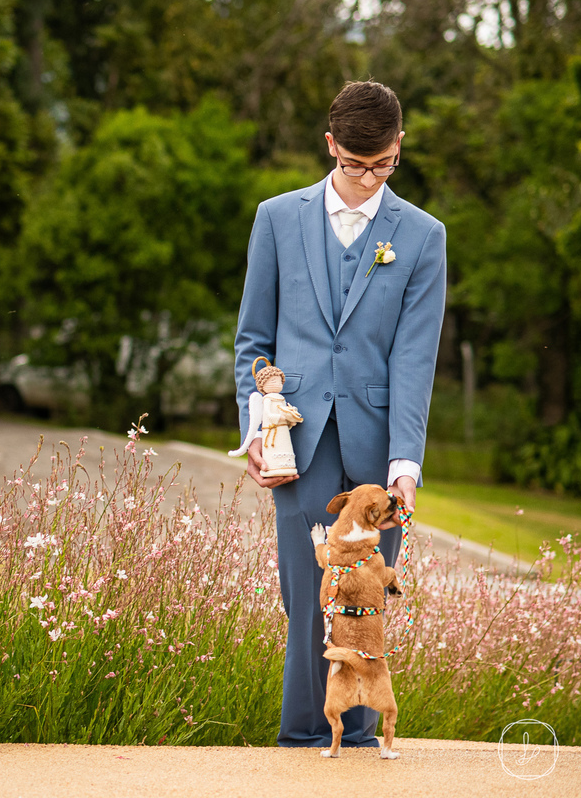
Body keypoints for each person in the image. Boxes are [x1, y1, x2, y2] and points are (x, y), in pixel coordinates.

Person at [232, 81, 446, 748]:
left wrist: (405, 464)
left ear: (399, 146)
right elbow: (253, 341)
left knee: (365, 600)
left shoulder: (424, 236)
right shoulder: (276, 218)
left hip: (378, 448)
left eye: (384, 164)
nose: (369, 179)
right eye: (356, 165)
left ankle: (357, 745)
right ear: (331, 146)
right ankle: (303, 740)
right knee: (308, 597)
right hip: (297, 442)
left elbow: (414, 359)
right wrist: (255, 429)